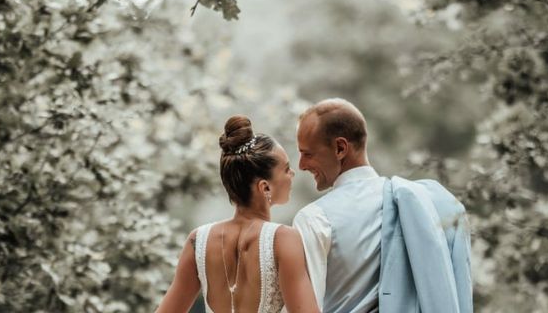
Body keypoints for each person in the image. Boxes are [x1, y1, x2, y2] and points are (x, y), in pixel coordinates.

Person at [293, 98, 472, 313]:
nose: (301, 165)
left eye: (307, 154)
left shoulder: (314, 218)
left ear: (340, 148)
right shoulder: (427, 206)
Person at [156, 115, 321, 313]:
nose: (293, 173)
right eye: (286, 169)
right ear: (265, 187)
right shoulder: (283, 240)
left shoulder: (197, 241)